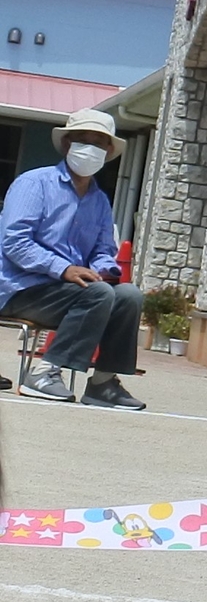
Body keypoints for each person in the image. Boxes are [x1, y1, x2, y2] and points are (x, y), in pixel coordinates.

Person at [0, 106, 146, 410]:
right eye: (83, 140)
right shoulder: (34, 183)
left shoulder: (100, 200)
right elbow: (14, 242)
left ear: (108, 152)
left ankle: (103, 383)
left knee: (128, 295)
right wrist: (64, 268)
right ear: (67, 144)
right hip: (21, 288)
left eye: (99, 143)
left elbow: (103, 251)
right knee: (97, 294)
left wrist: (104, 270)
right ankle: (43, 373)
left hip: (72, 292)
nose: (90, 149)